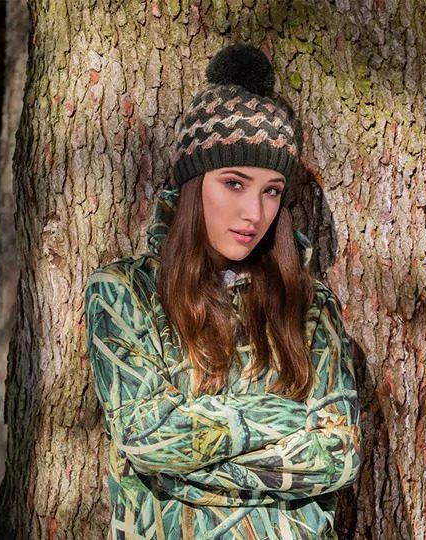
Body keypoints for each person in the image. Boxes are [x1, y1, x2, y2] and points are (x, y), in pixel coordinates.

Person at [84, 43, 361, 540]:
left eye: (271, 190)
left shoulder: (309, 306)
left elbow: (339, 458)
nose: (254, 213)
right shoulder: (124, 293)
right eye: (234, 183)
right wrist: (275, 416)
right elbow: (146, 442)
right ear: (195, 186)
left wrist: (185, 465)